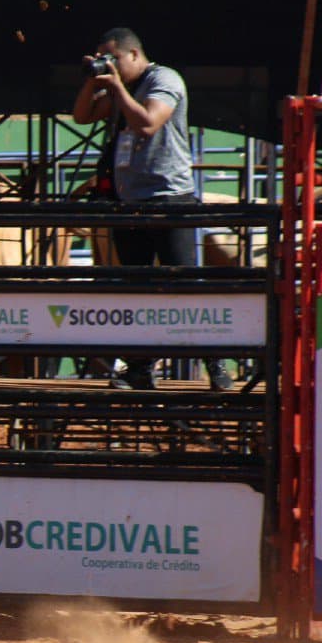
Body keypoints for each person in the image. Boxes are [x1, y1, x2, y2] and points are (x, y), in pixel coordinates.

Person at [73, 27, 232, 391]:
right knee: (136, 287)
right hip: (130, 202)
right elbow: (82, 116)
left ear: (134, 54)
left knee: (186, 284)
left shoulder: (164, 80)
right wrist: (93, 81)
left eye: (113, 58)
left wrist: (116, 88)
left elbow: (147, 123)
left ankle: (216, 362)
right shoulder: (121, 88)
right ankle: (140, 367)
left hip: (169, 198)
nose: (110, 65)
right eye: (103, 59)